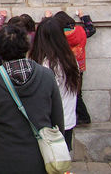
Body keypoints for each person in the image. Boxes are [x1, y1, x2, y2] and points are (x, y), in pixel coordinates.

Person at [0, 24, 65, 174]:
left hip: (3, 161)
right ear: (26, 46)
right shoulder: (46, 76)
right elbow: (57, 119)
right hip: (41, 159)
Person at [29, 17, 80, 151]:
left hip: (50, 125)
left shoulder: (47, 65)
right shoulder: (70, 59)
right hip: (67, 120)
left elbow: (43, 97)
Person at [53, 9, 96, 125]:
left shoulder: (60, 34)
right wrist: (83, 16)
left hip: (65, 65)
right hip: (79, 66)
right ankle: (82, 116)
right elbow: (91, 29)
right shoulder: (81, 31)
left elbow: (47, 32)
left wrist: (47, 18)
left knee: (69, 92)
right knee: (77, 92)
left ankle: (83, 116)